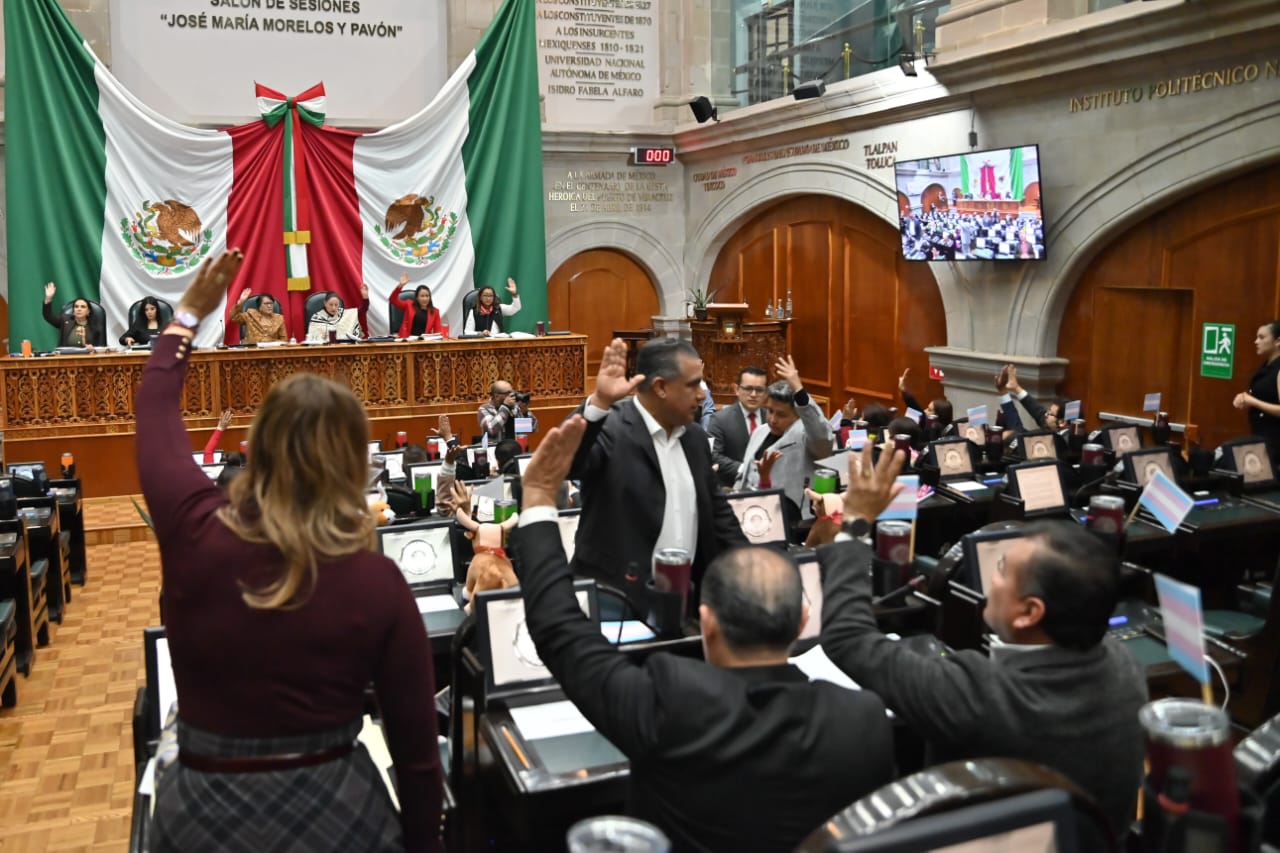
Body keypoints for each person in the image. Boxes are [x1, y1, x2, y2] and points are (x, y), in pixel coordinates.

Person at [135, 250, 442, 853]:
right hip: (338, 812)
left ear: (257, 448)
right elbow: (416, 753)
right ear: (353, 464)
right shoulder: (377, 580)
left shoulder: (194, 531)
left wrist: (188, 314)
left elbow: (154, 408)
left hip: (199, 810)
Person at [510, 415, 894, 852]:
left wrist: (537, 498)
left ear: (707, 623)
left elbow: (559, 628)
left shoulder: (670, 702)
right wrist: (856, 524)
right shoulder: (863, 720)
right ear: (802, 621)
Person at [813, 442, 1147, 842]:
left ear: (1029, 612)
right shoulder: (1125, 668)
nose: (991, 577)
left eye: (1002, 568)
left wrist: (854, 525)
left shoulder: (980, 694)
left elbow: (848, 638)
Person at [568, 337, 747, 599]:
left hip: (685, 598)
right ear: (661, 387)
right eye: (693, 384)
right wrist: (598, 403)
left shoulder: (695, 438)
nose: (702, 395)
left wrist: (754, 569)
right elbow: (569, 465)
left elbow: (718, 513)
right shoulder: (610, 427)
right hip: (615, 598)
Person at [734, 355, 834, 526]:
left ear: (798, 415)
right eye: (770, 411)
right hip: (752, 517)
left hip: (791, 521)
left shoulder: (805, 436)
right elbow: (744, 474)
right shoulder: (760, 431)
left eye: (781, 414)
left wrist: (799, 389)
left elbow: (822, 436)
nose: (772, 419)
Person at [708, 366, 768, 486]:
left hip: (766, 486)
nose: (753, 394)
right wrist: (744, 469)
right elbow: (714, 455)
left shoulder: (771, 418)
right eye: (748, 389)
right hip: (731, 486)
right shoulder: (720, 419)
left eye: (759, 390)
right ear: (737, 389)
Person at [1234, 321, 1280, 470]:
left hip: (1275, 441)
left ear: (1277, 341)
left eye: (1261, 337)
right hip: (1260, 436)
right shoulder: (1266, 366)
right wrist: (1244, 398)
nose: (1256, 341)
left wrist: (1253, 401)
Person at [42, 282, 106, 348]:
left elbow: (101, 347)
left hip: (88, 354)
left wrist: (94, 349)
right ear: (73, 311)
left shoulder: (96, 326)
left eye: (83, 307)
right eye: (76, 306)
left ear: (88, 311)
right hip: (66, 354)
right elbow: (48, 316)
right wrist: (48, 298)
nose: (79, 309)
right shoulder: (65, 320)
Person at [388, 273, 442, 338]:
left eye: (427, 296)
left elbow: (438, 334)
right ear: (417, 297)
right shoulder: (409, 305)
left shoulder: (435, 312)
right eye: (422, 296)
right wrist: (400, 285)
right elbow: (392, 299)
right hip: (406, 340)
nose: (425, 299)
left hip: (424, 342)